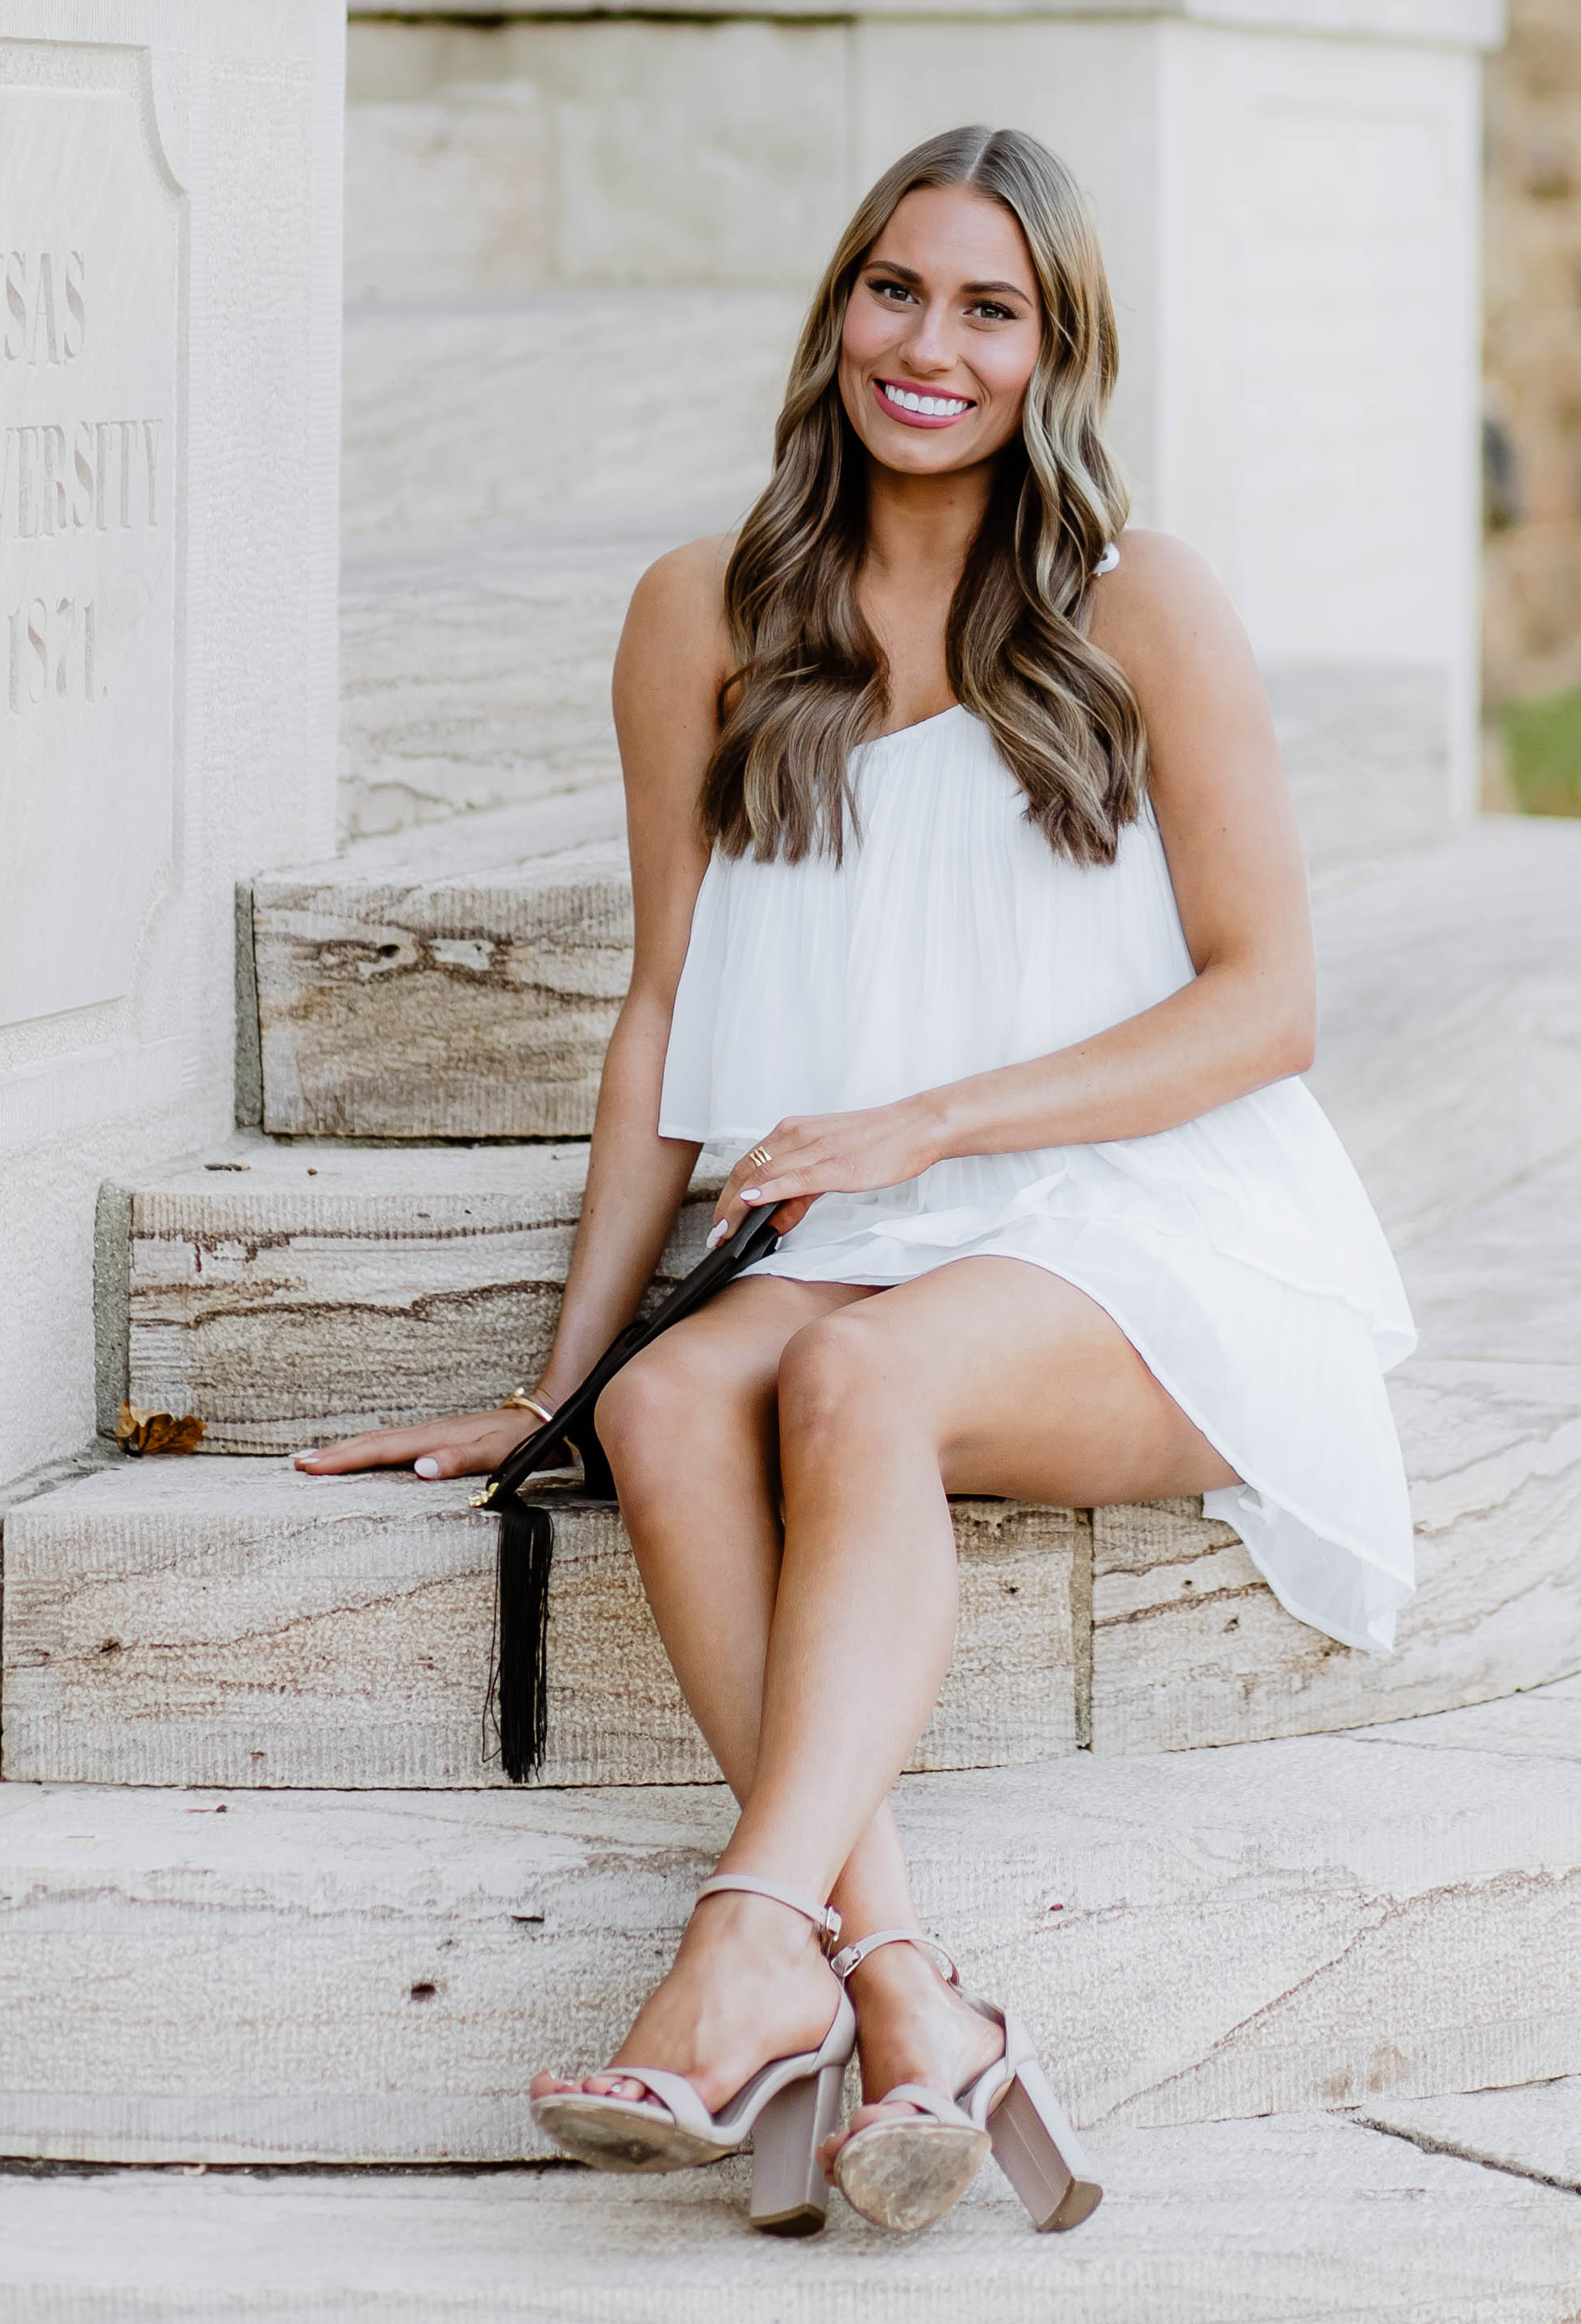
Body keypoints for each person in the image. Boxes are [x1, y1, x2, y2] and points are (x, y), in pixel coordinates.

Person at [297, 125, 1415, 2240]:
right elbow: (662, 1013)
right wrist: (556, 1378)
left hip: (1149, 1222)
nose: (930, 346)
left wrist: (923, 1122)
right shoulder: (701, 616)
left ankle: (746, 1950)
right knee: (662, 1408)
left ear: (1056, 351)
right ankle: (900, 1990)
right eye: (896, 289)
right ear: (837, 309)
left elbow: (1267, 1006)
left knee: (854, 1382)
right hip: (876, 1234)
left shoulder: (1136, 605)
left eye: (992, 309)